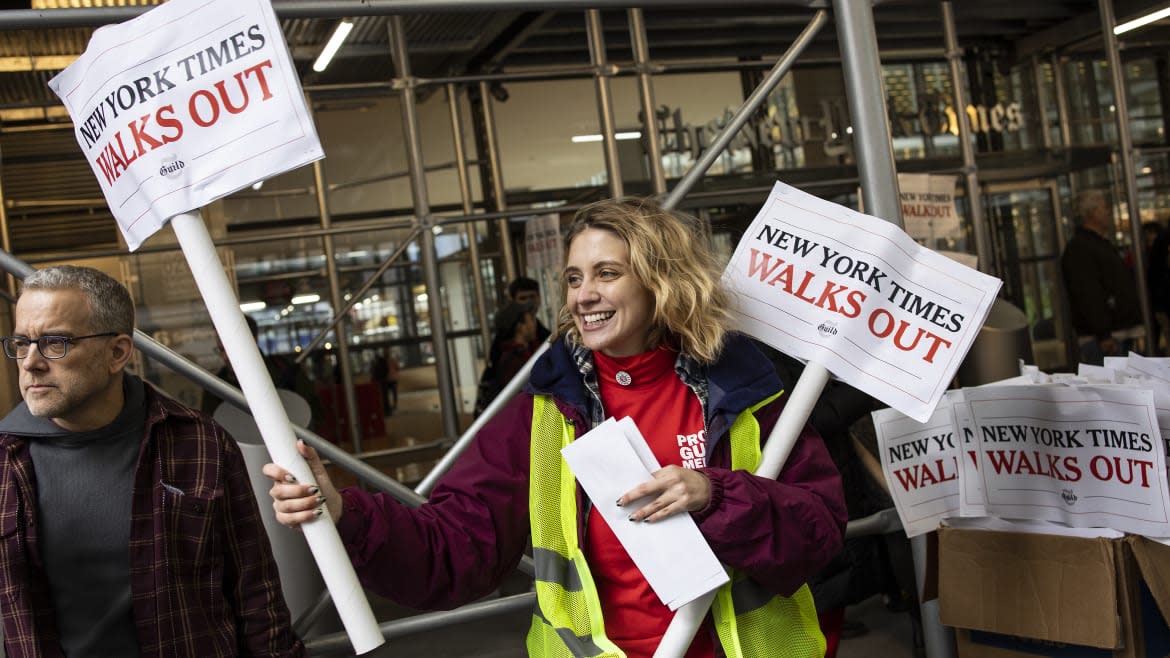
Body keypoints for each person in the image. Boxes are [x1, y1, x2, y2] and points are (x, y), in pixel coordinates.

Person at [265, 198, 846, 657]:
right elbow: (456, 549)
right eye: (573, 277)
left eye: (607, 272)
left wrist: (714, 495)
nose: (583, 294)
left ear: (659, 281)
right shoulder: (544, 409)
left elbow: (818, 532)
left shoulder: (743, 392)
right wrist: (344, 512)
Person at [0, 265, 303, 657]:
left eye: (56, 342)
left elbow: (256, 596)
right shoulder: (6, 464)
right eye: (22, 343)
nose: (30, 362)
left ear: (117, 352)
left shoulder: (199, 444)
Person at [1061, 188, 1143, 365]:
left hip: (1114, 332)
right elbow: (1088, 294)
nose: (1108, 211)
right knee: (1114, 388)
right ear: (1091, 212)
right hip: (1105, 338)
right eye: (1103, 207)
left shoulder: (1096, 244)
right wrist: (1104, 334)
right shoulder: (1081, 249)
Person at [201, 314, 321, 430]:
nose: (226, 356)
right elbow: (209, 430)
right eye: (221, 350)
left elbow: (314, 415)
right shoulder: (216, 387)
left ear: (252, 340)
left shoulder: (286, 372)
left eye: (230, 347)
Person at [371, 348, 401, 415]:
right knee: (385, 395)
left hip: (392, 379)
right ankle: (388, 408)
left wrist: (394, 373)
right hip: (386, 380)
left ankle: (393, 405)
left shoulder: (391, 360)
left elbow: (397, 368)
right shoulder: (382, 361)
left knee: (393, 393)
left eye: (386, 352)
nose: (386, 353)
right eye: (385, 352)